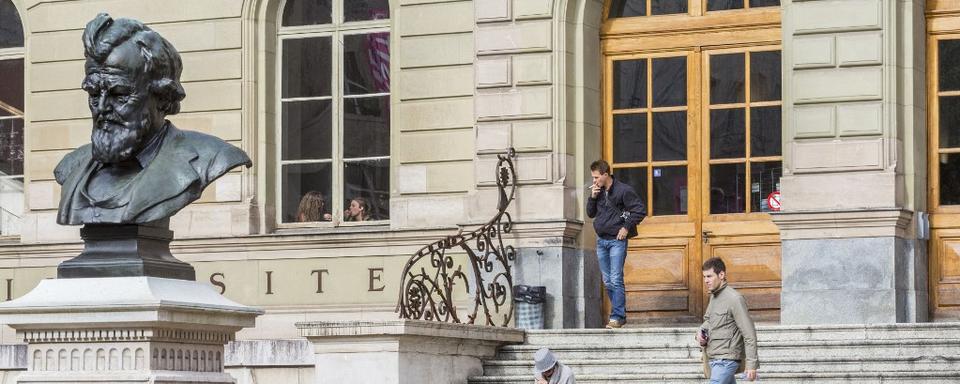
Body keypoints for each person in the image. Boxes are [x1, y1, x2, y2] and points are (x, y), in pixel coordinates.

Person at [53, 13, 251, 225]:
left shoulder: (211, 157)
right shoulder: (72, 165)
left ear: (163, 98)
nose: (102, 107)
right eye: (93, 94)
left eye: (119, 95)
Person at [585, 160, 645, 329]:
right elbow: (590, 214)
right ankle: (619, 315)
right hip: (601, 240)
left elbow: (640, 210)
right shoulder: (598, 191)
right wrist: (593, 197)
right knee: (607, 280)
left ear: (606, 174)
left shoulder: (623, 190)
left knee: (616, 278)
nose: (594, 181)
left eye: (596, 177)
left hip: (616, 241)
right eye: (593, 178)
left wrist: (626, 227)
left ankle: (617, 317)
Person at [696, 257, 759, 383]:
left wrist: (751, 365)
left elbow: (749, 333)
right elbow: (709, 321)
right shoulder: (714, 297)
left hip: (726, 360)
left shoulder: (734, 299)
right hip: (714, 358)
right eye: (704, 277)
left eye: (709, 276)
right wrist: (700, 333)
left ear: (721, 275)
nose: (706, 281)